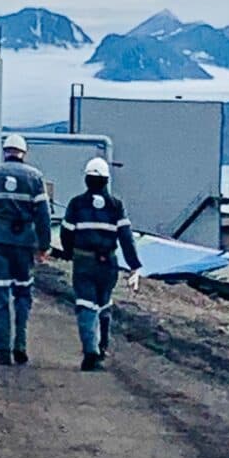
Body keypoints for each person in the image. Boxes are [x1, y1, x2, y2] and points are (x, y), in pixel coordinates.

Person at [0, 133, 51, 366]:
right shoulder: (35, 177)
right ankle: (20, 344)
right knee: (23, 294)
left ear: (5, 152)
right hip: (24, 244)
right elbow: (44, 215)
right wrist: (44, 246)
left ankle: (3, 350)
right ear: (24, 153)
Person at [61, 157, 142, 371]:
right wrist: (134, 265)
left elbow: (66, 233)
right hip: (108, 263)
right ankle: (102, 346)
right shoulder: (116, 206)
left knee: (86, 304)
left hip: (84, 261)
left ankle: (91, 351)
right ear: (107, 180)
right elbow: (126, 237)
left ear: (86, 179)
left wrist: (69, 253)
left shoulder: (76, 204)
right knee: (104, 303)